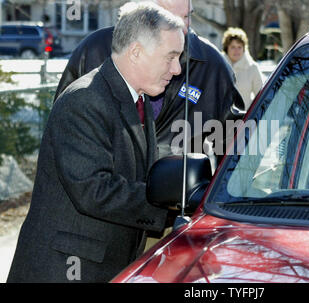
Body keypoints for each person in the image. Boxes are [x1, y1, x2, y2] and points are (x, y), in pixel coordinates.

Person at [7, 2, 185, 283]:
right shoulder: (85, 100)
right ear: (137, 52)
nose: (176, 69)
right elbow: (94, 190)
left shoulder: (137, 98)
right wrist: (170, 205)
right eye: (171, 57)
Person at [54, 0, 245, 162]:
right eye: (169, 19)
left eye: (187, 17)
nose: (183, 29)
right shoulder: (95, 51)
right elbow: (61, 133)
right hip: (97, 198)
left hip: (177, 202)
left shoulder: (212, 68)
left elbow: (233, 149)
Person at [222, 27, 263, 110]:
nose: (236, 51)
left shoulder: (253, 68)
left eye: (239, 47)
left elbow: (261, 96)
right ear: (227, 48)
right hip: (220, 118)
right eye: (233, 47)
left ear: (244, 49)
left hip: (245, 118)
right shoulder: (219, 67)